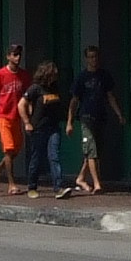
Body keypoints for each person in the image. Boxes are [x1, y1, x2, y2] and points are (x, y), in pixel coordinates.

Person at [67, 44, 124, 197]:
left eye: (95, 57)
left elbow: (110, 96)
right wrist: (69, 122)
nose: (93, 60)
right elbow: (74, 100)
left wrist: (119, 114)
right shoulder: (81, 77)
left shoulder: (104, 76)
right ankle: (97, 183)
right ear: (86, 59)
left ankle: (80, 178)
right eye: (91, 57)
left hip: (100, 116)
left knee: (94, 151)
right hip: (86, 117)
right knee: (91, 150)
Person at [0, 44, 29, 195]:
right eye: (14, 54)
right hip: (3, 116)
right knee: (9, 149)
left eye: (19, 55)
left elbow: (27, 96)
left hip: (16, 117)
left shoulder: (24, 75)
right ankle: (11, 184)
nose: (17, 57)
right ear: (8, 56)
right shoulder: (0, 74)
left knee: (15, 150)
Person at [22, 60, 68, 193]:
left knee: (54, 156)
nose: (55, 76)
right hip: (38, 128)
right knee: (37, 157)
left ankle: (58, 187)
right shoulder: (35, 88)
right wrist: (27, 123)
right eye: (53, 74)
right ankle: (32, 186)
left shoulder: (55, 88)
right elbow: (21, 104)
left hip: (53, 127)